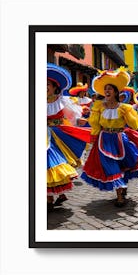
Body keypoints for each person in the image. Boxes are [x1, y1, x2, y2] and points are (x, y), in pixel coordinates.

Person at [81, 67, 138, 207]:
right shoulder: (98, 107)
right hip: (104, 139)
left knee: (122, 165)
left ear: (116, 92)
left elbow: (134, 123)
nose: (107, 91)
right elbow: (95, 124)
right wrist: (93, 137)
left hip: (120, 139)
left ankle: (122, 187)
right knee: (110, 165)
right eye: (105, 89)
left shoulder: (124, 108)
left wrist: (127, 114)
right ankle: (119, 195)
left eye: (110, 89)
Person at [47, 63, 91, 212]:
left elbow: (73, 116)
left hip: (60, 135)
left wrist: (81, 121)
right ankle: (50, 197)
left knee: (58, 164)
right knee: (47, 164)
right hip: (44, 137)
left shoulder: (63, 101)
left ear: (54, 87)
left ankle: (57, 194)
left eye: (47, 84)